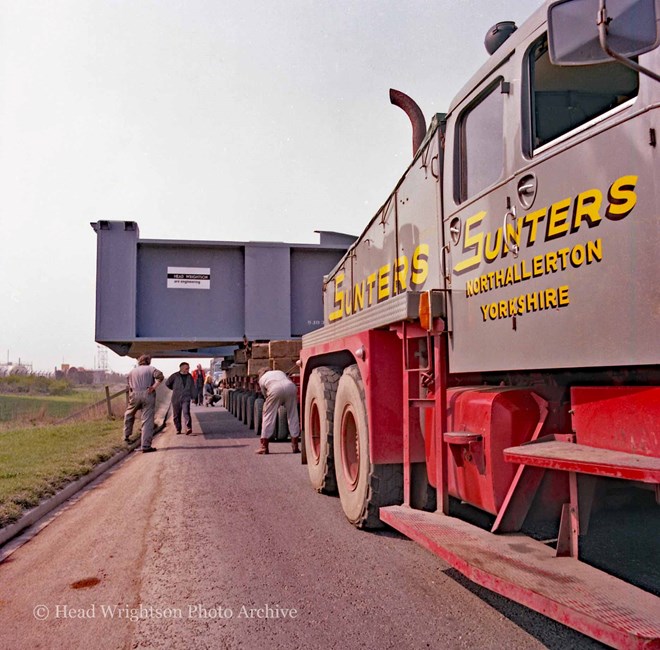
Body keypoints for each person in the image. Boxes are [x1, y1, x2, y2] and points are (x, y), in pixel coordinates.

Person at [123, 355, 164, 453]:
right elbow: (160, 377)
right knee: (147, 420)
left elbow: (128, 382)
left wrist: (132, 392)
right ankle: (145, 446)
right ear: (148, 361)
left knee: (129, 414)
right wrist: (153, 387)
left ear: (139, 361)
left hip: (134, 394)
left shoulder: (132, 371)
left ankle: (126, 436)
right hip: (147, 393)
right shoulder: (151, 369)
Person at [256, 368, 300, 455]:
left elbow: (265, 394)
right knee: (293, 415)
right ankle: (295, 445)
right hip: (291, 387)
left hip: (275, 389)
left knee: (268, 416)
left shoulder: (262, 379)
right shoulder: (280, 372)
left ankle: (264, 447)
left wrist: (271, 403)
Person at [166, 362, 196, 434]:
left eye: (188, 368)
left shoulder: (190, 376)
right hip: (176, 398)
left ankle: (188, 427)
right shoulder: (174, 376)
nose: (188, 369)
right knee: (176, 414)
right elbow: (167, 383)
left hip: (186, 397)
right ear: (181, 368)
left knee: (186, 412)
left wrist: (193, 397)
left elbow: (192, 387)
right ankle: (178, 429)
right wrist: (174, 389)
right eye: (186, 368)